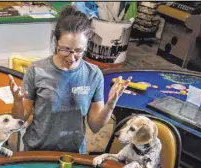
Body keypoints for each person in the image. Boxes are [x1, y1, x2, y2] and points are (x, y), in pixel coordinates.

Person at [8, 4, 131, 154]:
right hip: (37, 150)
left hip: (74, 153)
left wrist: (110, 105)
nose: (72, 57)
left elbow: (95, 126)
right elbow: (19, 119)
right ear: (56, 42)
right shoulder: (37, 70)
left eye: (79, 50)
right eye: (65, 49)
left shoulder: (93, 74)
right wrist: (18, 102)